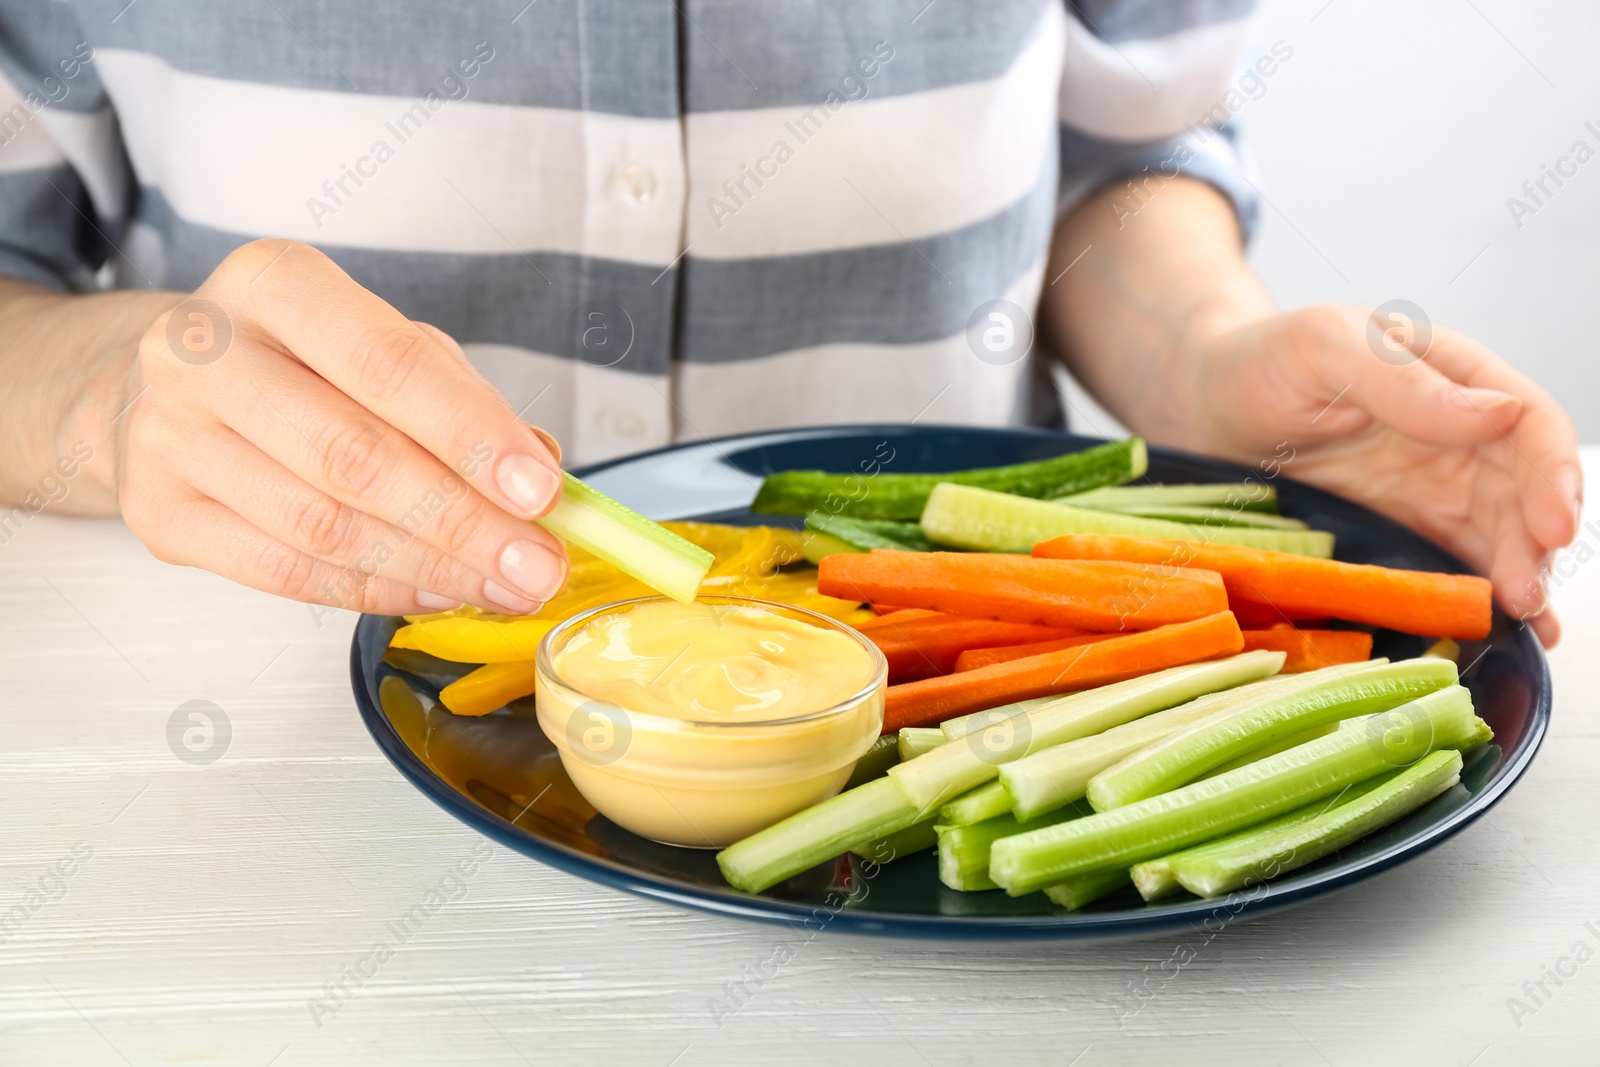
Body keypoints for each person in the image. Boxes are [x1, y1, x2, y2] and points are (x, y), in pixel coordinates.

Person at [0, 2, 1577, 645]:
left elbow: (1115, 148)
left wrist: (1203, 356)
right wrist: (104, 401)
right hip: (255, 772)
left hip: (938, 705)